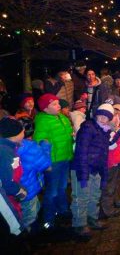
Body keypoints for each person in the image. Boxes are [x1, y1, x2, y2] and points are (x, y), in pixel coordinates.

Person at [71, 103, 113, 239]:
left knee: (94, 194)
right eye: (101, 115)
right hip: (82, 168)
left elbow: (104, 153)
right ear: (96, 115)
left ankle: (92, 218)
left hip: (96, 169)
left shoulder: (105, 131)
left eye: (106, 117)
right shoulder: (88, 128)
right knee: (81, 197)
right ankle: (79, 224)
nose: (102, 119)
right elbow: (81, 151)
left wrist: (103, 173)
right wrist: (83, 174)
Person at [33, 94, 74, 229]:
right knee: (52, 191)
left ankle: (63, 210)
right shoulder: (43, 121)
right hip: (53, 162)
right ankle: (48, 219)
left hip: (64, 157)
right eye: (55, 104)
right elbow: (40, 142)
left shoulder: (62, 117)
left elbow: (67, 133)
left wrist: (71, 135)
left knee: (62, 187)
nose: (59, 106)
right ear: (45, 108)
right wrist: (46, 163)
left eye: (58, 103)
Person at [100, 102, 120, 219]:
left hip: (117, 159)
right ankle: (107, 209)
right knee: (109, 186)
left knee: (115, 182)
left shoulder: (116, 128)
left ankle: (115, 201)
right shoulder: (106, 131)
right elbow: (111, 145)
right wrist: (117, 132)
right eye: (114, 117)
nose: (117, 120)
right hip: (110, 162)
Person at [18, 136, 52, 233]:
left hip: (12, 190)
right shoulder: (30, 147)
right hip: (28, 189)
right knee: (30, 218)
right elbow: (47, 166)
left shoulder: (5, 147)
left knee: (18, 215)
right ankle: (27, 239)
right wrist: (45, 147)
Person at [0, 118, 27, 222]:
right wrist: (19, 192)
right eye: (22, 131)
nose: (24, 132)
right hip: (8, 197)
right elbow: (6, 180)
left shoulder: (9, 147)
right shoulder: (5, 152)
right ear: (15, 134)